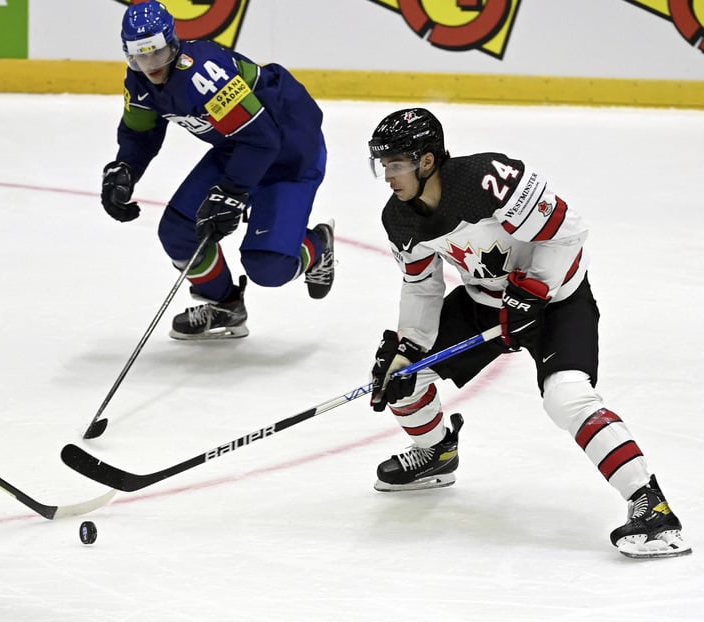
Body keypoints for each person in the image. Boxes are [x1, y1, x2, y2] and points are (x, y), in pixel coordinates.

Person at [365, 107, 690, 559]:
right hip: (486, 303)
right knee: (404, 382)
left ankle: (651, 507)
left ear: (426, 161)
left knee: (567, 398)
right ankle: (437, 452)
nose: (387, 176)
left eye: (395, 164)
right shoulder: (399, 218)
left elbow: (569, 232)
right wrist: (407, 348)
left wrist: (534, 288)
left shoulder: (490, 180)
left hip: (557, 300)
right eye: (382, 165)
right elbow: (421, 285)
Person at [100, 0, 335, 340]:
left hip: (289, 154)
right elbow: (141, 132)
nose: (149, 65)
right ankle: (223, 304)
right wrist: (125, 169)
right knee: (179, 232)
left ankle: (318, 245)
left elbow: (263, 138)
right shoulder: (139, 81)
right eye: (139, 56)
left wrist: (231, 192)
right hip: (240, 147)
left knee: (269, 267)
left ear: (173, 43)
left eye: (157, 53)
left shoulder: (204, 74)